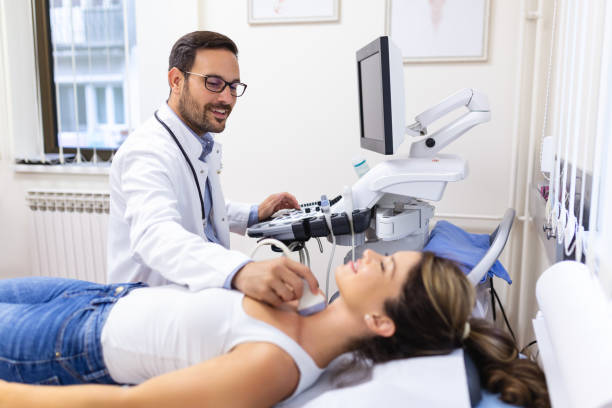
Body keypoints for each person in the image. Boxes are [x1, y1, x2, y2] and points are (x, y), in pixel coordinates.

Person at [0, 250, 550, 408]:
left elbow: (131, 405)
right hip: (96, 296)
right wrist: (243, 274)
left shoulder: (274, 366)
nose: (372, 255)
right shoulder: (308, 301)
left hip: (65, 346)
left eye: (383, 267)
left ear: (380, 321)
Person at [107, 30, 319, 305]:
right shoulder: (147, 152)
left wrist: (255, 214)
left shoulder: (198, 139)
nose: (227, 98)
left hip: (194, 299)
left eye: (233, 86)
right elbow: (155, 235)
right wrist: (240, 271)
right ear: (176, 80)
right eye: (214, 83)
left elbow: (196, 209)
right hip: (152, 310)